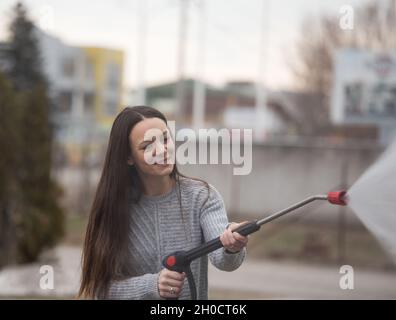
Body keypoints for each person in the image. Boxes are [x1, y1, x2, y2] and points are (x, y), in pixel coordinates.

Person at [78, 106, 248, 299]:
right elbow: (99, 289)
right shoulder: (113, 207)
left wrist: (231, 246)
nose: (161, 150)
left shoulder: (203, 196)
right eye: (147, 146)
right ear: (128, 157)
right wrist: (152, 286)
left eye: (165, 139)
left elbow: (223, 261)